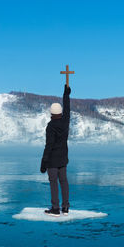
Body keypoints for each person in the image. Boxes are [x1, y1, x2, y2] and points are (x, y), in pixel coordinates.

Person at [40, 84, 71, 217]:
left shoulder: (51, 126)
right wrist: (66, 95)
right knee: (63, 182)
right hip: (63, 159)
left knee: (54, 183)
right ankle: (65, 207)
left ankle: (55, 208)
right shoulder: (65, 122)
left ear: (52, 113)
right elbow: (68, 109)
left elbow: (49, 145)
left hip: (52, 160)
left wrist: (43, 162)